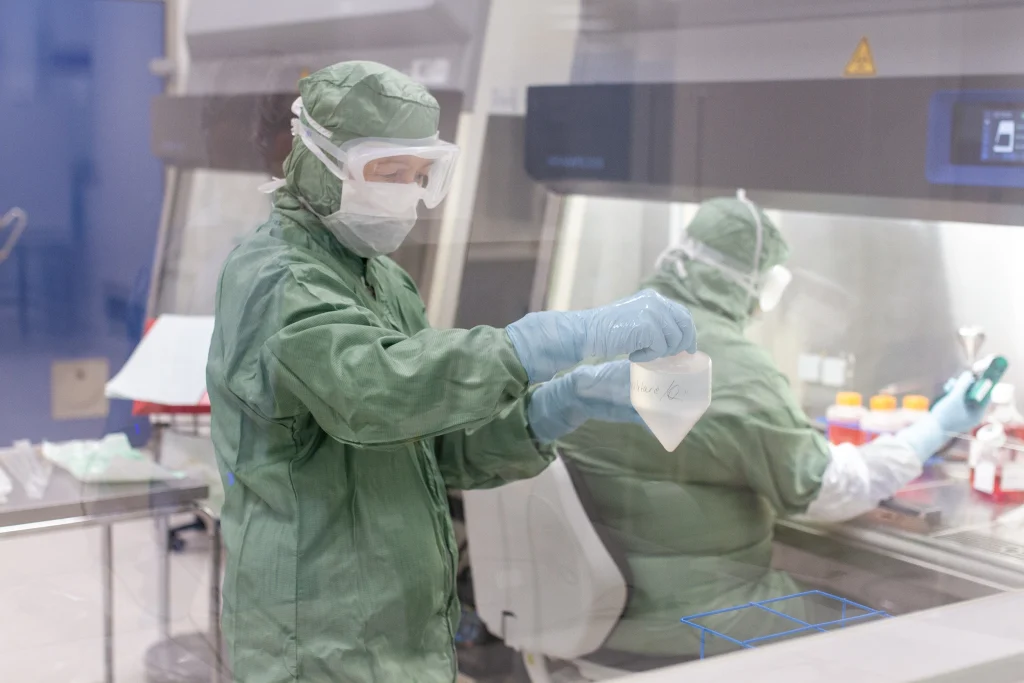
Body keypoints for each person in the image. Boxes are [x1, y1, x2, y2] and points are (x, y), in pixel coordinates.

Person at [205, 61, 697, 683]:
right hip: (315, 638)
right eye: (387, 173)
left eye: (419, 175)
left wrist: (552, 409)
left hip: (403, 632)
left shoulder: (382, 280)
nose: (406, 194)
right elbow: (375, 393)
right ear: (318, 159)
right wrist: (541, 342)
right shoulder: (276, 276)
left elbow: (430, 447)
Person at [555, 193, 987, 664]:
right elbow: (835, 490)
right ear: (752, 282)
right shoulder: (735, 370)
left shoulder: (603, 331)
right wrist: (937, 427)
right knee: (894, 646)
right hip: (700, 622)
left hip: (592, 618)